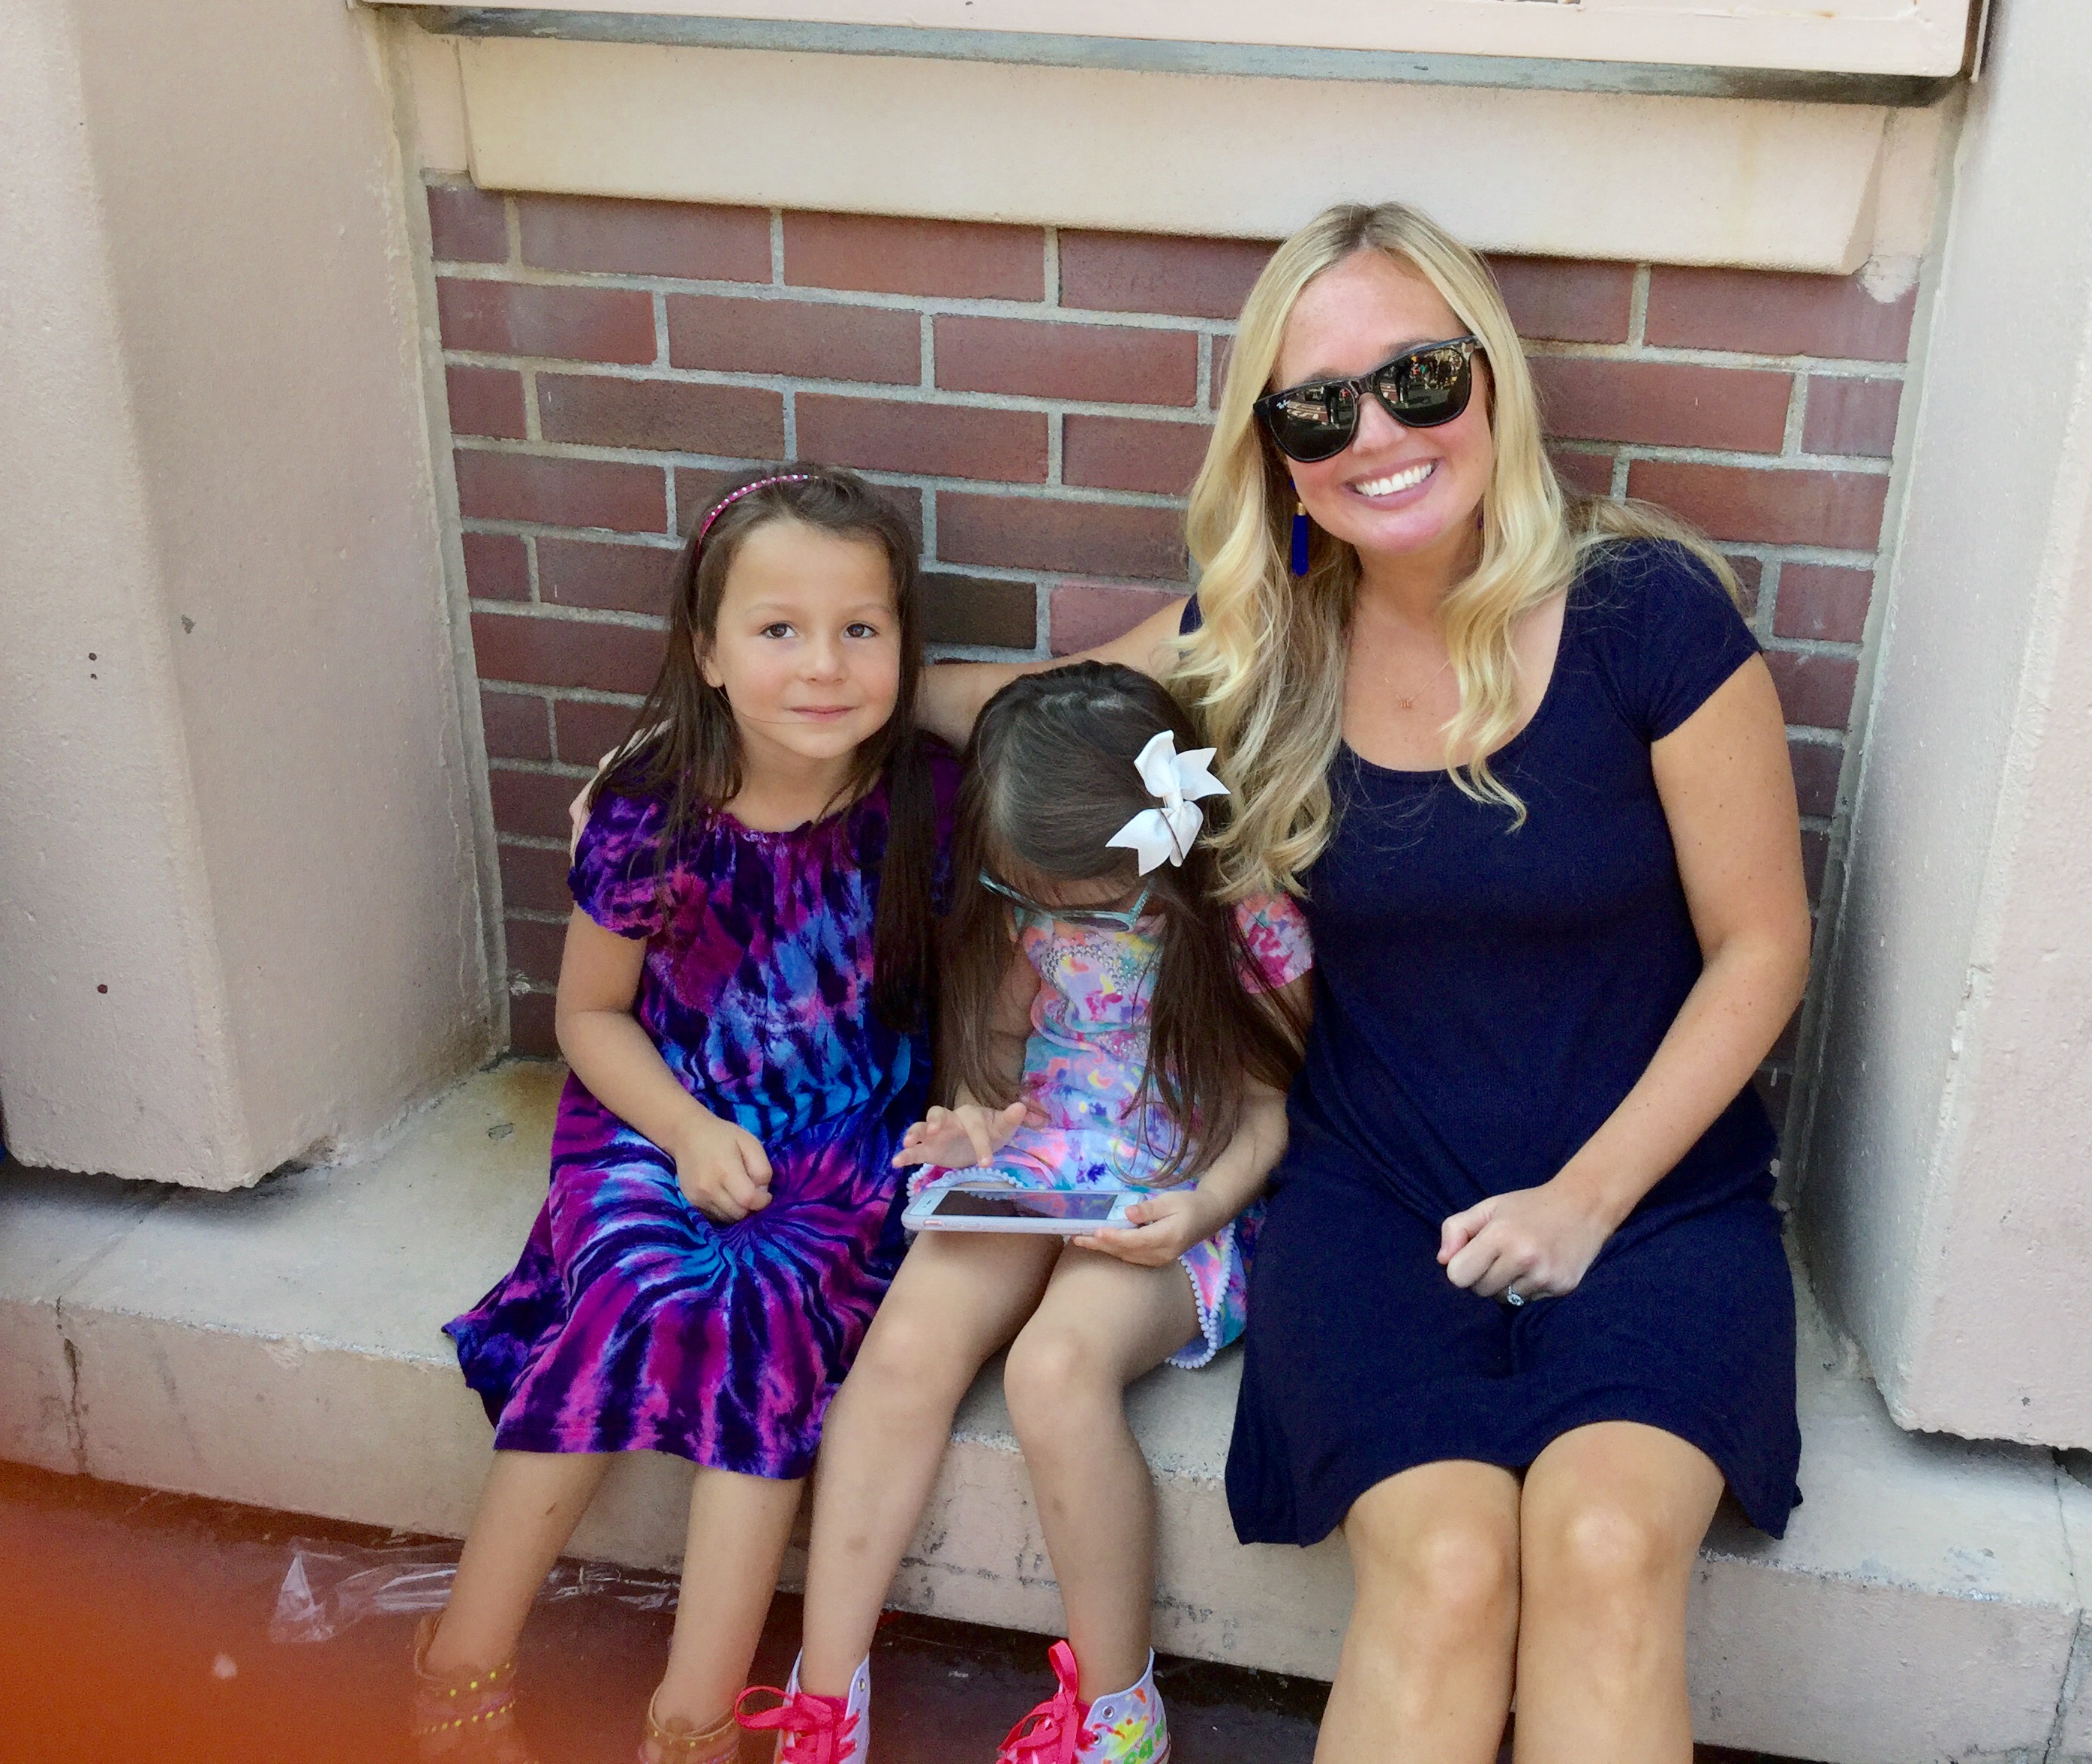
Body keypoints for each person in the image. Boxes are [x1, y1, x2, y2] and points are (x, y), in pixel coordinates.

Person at [920, 200, 1811, 1764]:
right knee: (1447, 1571)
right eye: (1318, 407)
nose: (1377, 435)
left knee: (1607, 1550)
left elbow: (1764, 946)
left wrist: (1585, 1201)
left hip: (1650, 1197)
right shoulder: (1260, 638)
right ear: (1275, 452)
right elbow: (1031, 710)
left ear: (1490, 378)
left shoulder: (1645, 615)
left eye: (1418, 378)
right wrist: (767, 725)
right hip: (1376, 1197)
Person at [418, 467, 959, 1764]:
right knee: (633, 1283)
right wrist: (687, 1133)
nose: (823, 665)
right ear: (707, 652)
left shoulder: (928, 799)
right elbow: (590, 1017)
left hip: (845, 1129)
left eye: (861, 628)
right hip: (656, 1105)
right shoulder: (651, 811)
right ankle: (459, 1660)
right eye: (779, 629)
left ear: (904, 645)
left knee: (768, 1304)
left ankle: (693, 1718)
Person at [738, 663, 1312, 1764]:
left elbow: (1270, 1109)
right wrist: (972, 1125)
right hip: (1042, 1156)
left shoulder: (1243, 922)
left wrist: (1200, 1209)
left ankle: (1117, 1710)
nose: (1050, 920)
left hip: (1177, 1186)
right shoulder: (1026, 901)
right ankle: (825, 1698)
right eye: (1030, 899)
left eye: (1084, 902)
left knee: (1055, 1369)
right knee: (902, 1353)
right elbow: (999, 1057)